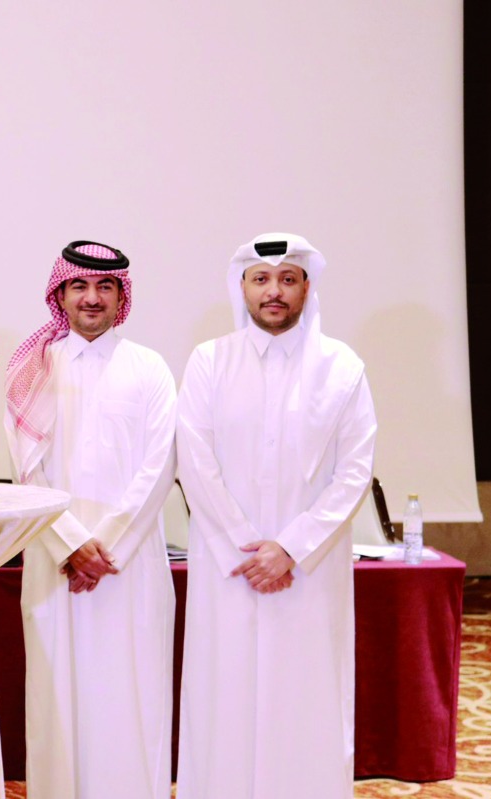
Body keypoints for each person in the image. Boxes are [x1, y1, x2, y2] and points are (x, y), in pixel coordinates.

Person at [175, 233, 377, 799]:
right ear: (241, 287)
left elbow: (354, 472)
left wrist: (290, 549)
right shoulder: (209, 361)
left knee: (306, 692)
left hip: (308, 572)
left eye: (288, 279)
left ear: (307, 288)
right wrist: (247, 545)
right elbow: (194, 461)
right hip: (230, 568)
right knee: (225, 692)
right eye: (261, 278)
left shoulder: (343, 367)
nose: (274, 291)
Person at [5, 241, 177, 799]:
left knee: (132, 691)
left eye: (105, 287)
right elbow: (26, 473)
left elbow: (160, 465)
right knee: (59, 696)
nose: (92, 298)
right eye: (79, 286)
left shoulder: (148, 367)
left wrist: (106, 549)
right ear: (60, 293)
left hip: (130, 567)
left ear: (121, 297)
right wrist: (72, 546)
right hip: (55, 563)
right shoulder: (33, 369)